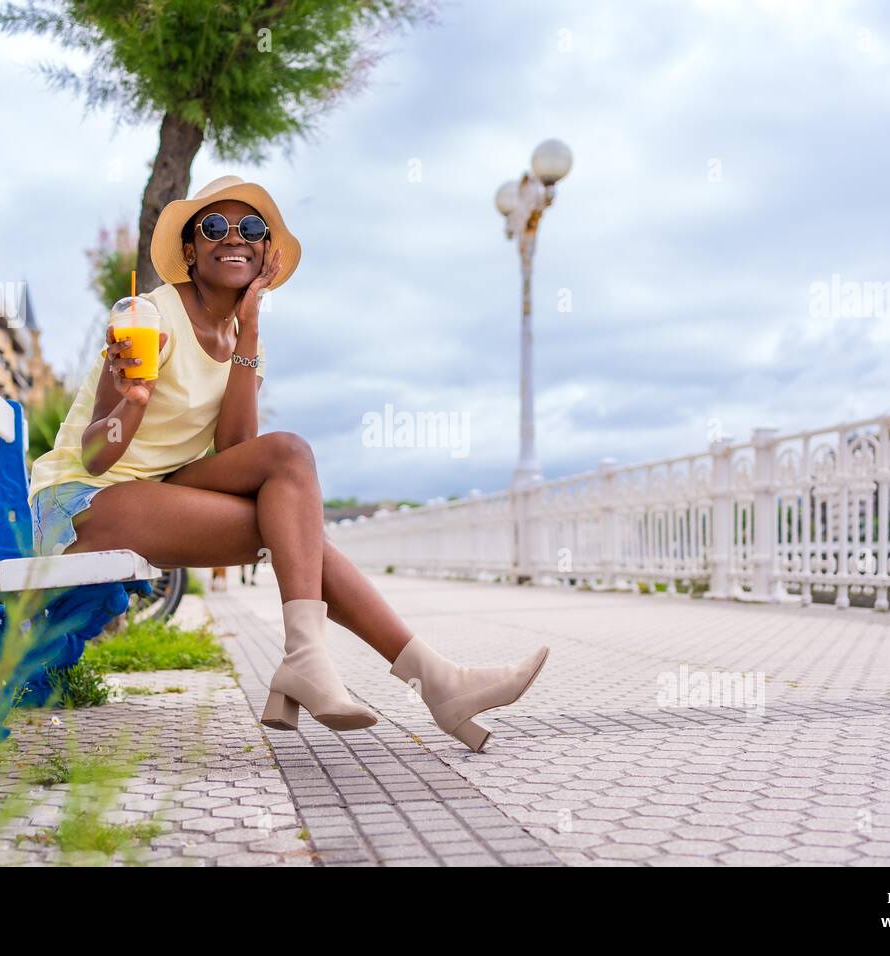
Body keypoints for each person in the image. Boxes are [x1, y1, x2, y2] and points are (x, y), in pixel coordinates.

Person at [27, 176, 548, 750]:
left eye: (251, 228)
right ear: (190, 251)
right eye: (214, 227)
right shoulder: (150, 317)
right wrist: (133, 399)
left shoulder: (243, 336)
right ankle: (419, 678)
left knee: (289, 458)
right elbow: (96, 458)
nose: (234, 239)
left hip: (158, 488)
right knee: (289, 531)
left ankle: (347, 665)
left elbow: (238, 452)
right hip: (81, 502)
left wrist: (249, 327)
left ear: (266, 252)